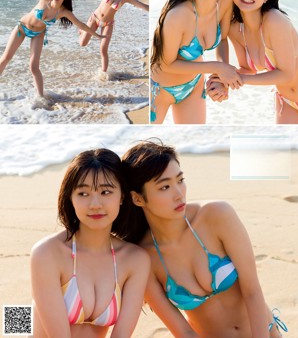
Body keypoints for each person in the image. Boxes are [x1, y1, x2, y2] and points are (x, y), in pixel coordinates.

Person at [120, 140, 288, 338]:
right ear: (137, 198)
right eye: (165, 187)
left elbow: (252, 291)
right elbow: (183, 331)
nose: (179, 194)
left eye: (180, 180)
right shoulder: (143, 258)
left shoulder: (216, 216)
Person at [30, 148, 150, 338]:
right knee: (19, 317)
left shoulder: (136, 260)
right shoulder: (46, 253)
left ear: (122, 197)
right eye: (83, 194)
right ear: (71, 198)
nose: (95, 204)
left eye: (105, 191)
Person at [150, 0, 243, 124]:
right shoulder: (177, 16)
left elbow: (223, 39)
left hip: (193, 86)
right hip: (160, 90)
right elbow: (167, 64)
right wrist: (216, 68)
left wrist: (221, 78)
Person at [207, 0, 298, 123]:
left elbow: (286, 74)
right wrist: (222, 79)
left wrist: (236, 79)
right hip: (287, 101)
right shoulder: (236, 28)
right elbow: (247, 69)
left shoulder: (274, 20)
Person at [0, 0, 104, 99]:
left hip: (38, 34)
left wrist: (97, 35)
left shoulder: (64, 12)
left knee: (34, 67)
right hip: (22, 28)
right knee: (6, 58)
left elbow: (81, 25)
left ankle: (40, 98)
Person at [80, 0, 149, 79]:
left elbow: (143, 6)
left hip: (108, 24)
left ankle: (103, 75)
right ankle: (81, 30)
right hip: (94, 18)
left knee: (103, 50)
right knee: (83, 43)